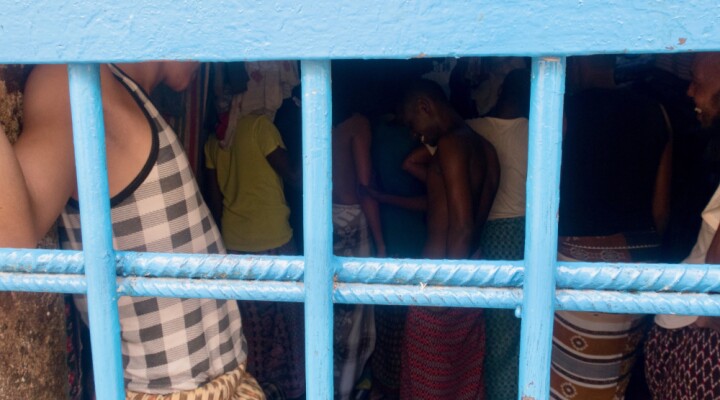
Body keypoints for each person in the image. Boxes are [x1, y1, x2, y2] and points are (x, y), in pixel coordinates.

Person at [0, 62, 264, 399]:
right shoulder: (72, 82)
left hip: (220, 384)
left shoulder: (121, 91)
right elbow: (10, 237)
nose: (209, 56)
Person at [552, 55, 673, 400]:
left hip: (581, 264)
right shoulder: (658, 112)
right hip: (642, 259)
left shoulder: (562, 112)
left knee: (573, 382)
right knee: (617, 379)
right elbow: (660, 211)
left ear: (576, 64)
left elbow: (549, 198)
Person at [397, 79, 499, 400]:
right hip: (471, 270)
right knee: (463, 378)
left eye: (413, 125)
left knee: (428, 382)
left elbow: (463, 226)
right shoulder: (486, 150)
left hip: (443, 280)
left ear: (426, 106)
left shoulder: (452, 146)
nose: (415, 135)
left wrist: (443, 292)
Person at [204, 113, 304, 400]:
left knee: (253, 332)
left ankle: (257, 391)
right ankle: (294, 391)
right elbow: (295, 175)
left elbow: (215, 201)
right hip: (274, 240)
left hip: (235, 244)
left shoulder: (214, 142)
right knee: (289, 327)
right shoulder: (260, 127)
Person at [645, 52, 720, 400]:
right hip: (694, 325)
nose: (689, 92)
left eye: (698, 83)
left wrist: (706, 317)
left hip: (692, 325)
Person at [466, 68, 530, 400]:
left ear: (502, 88)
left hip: (490, 231)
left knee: (492, 325)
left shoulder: (473, 129)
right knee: (520, 326)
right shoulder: (538, 131)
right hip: (528, 233)